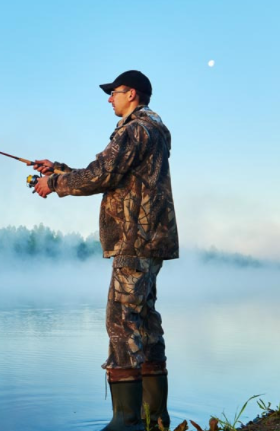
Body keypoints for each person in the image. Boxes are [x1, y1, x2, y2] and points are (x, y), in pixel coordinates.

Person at [32, 70, 178, 431]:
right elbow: (114, 173)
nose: (109, 98)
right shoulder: (153, 130)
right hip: (151, 239)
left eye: (114, 92)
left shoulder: (134, 130)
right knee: (143, 320)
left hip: (133, 238)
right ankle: (154, 418)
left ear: (132, 94)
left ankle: (126, 421)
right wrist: (61, 169)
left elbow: (102, 175)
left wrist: (54, 183)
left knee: (122, 322)